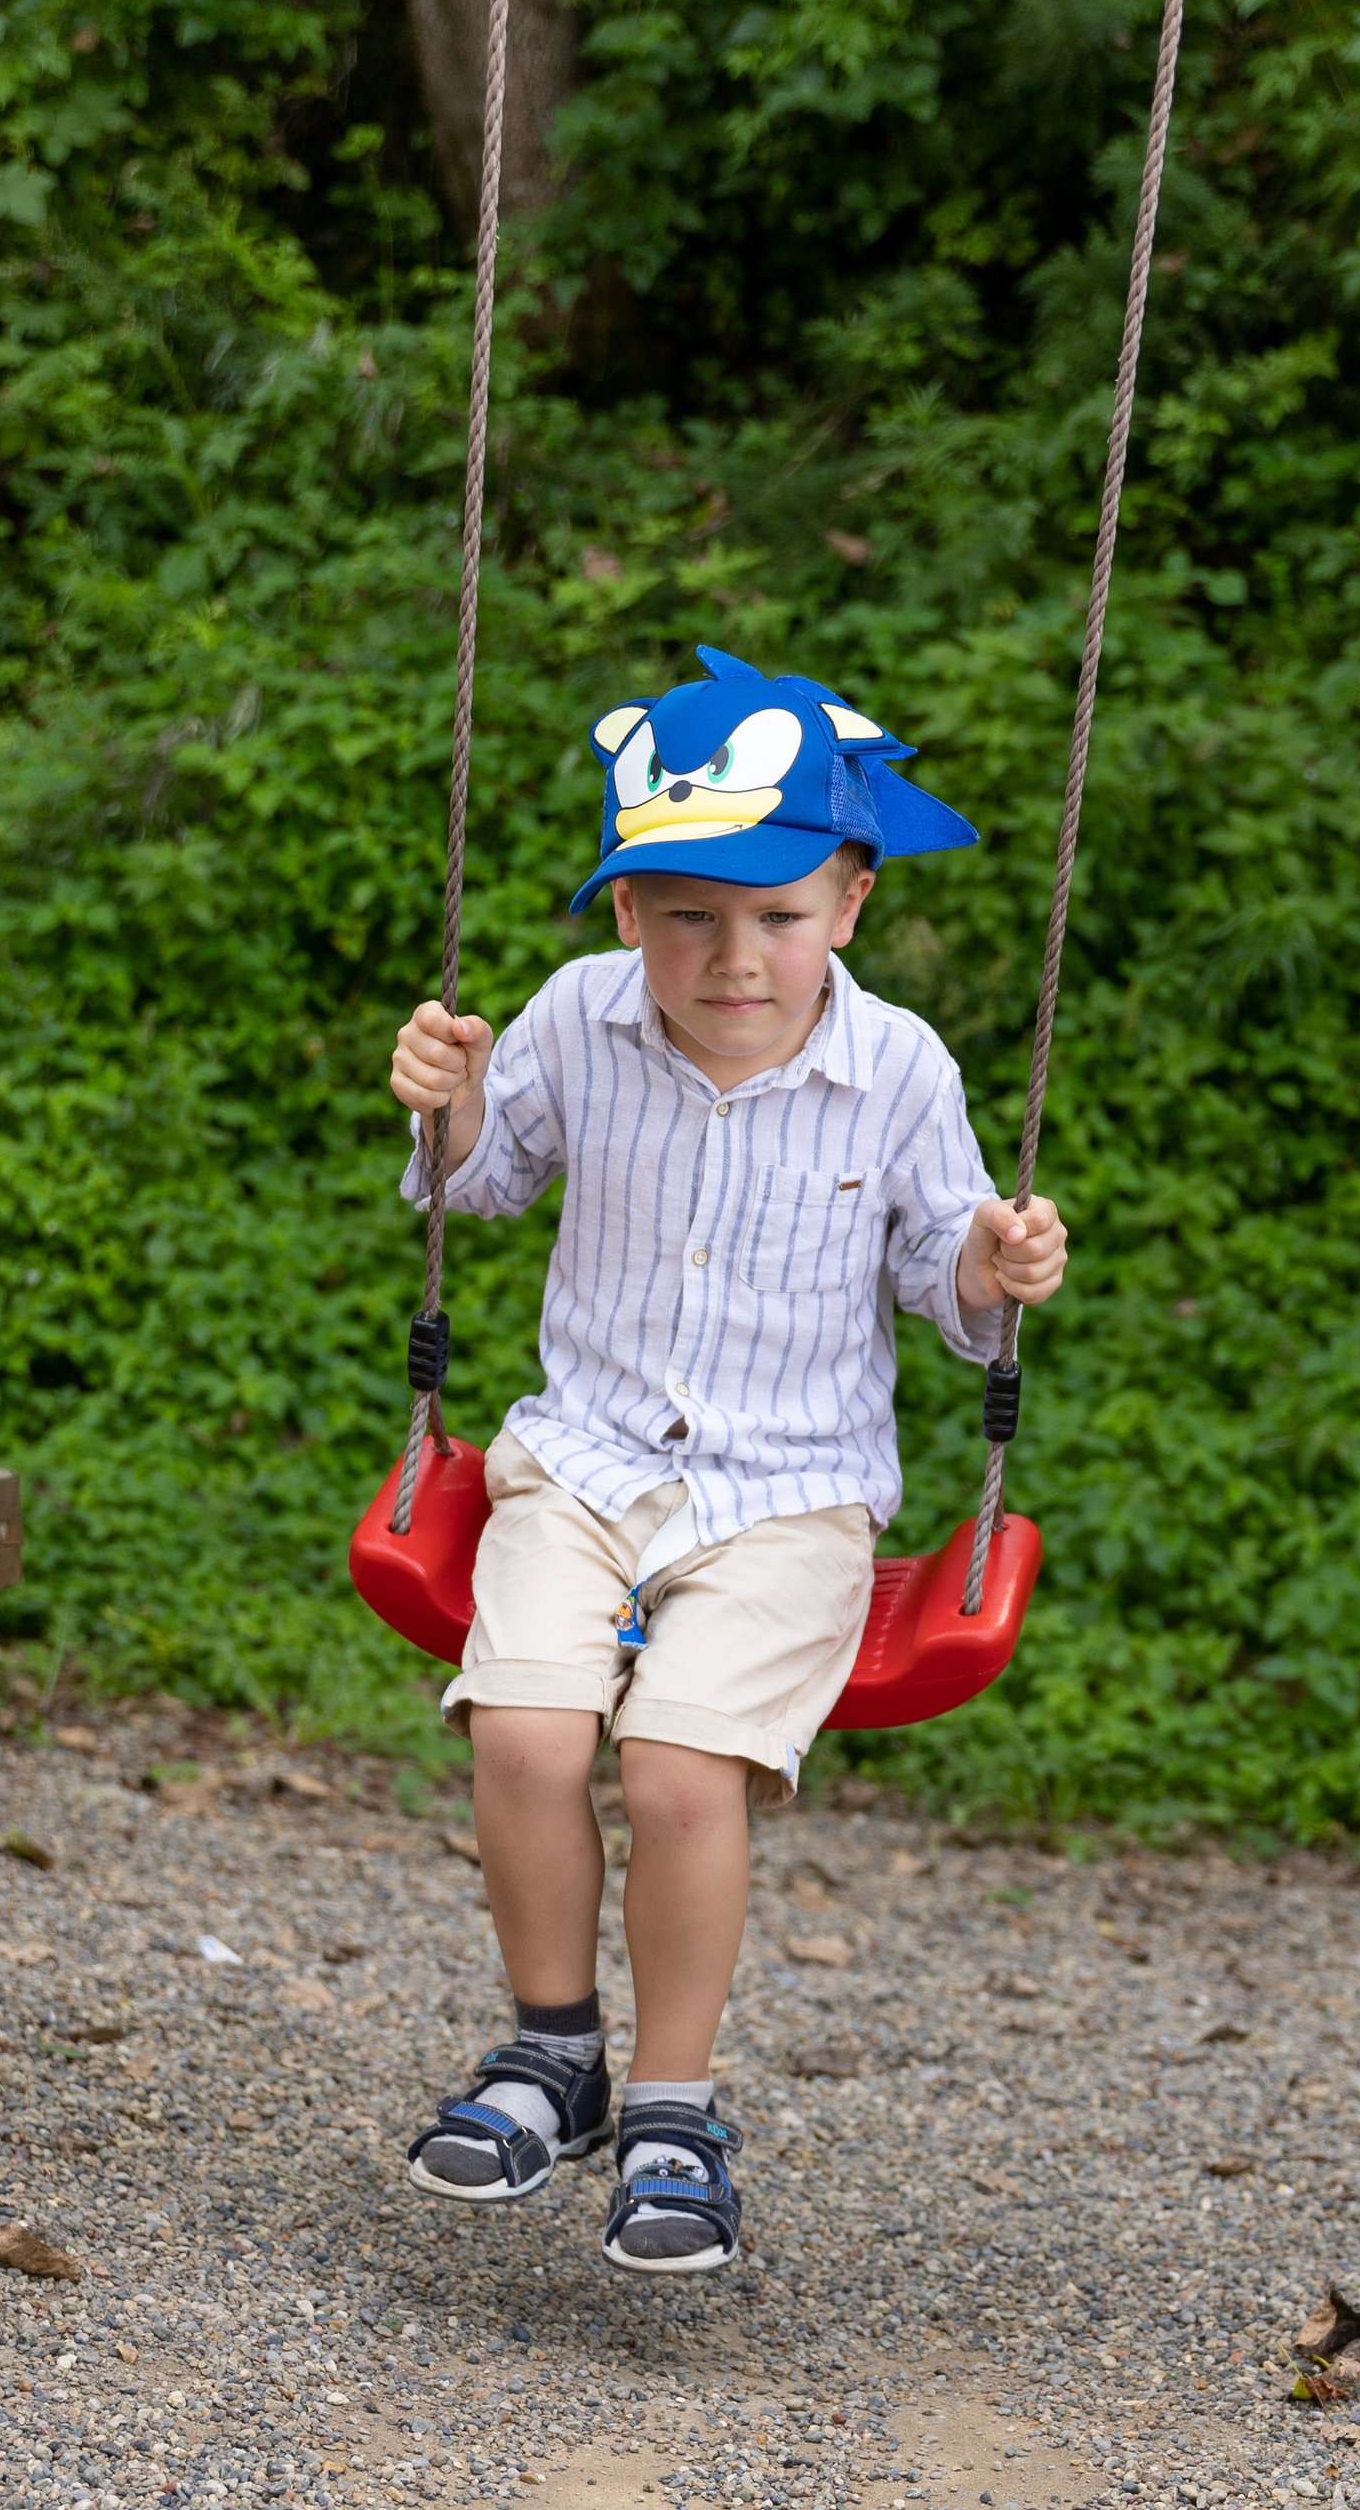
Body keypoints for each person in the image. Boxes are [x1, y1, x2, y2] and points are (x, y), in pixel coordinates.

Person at [388, 645, 1068, 2275]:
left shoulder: (898, 1067)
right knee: (532, 1735)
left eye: (774, 913)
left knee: (681, 1770)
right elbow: (477, 1189)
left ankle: (679, 2112)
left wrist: (991, 1268)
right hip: (583, 1465)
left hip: (794, 1498)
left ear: (849, 897)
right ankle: (556, 2055)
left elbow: (940, 1281)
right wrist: (450, 1107)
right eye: (689, 913)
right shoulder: (574, 1017)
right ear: (629, 915)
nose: (732, 956)